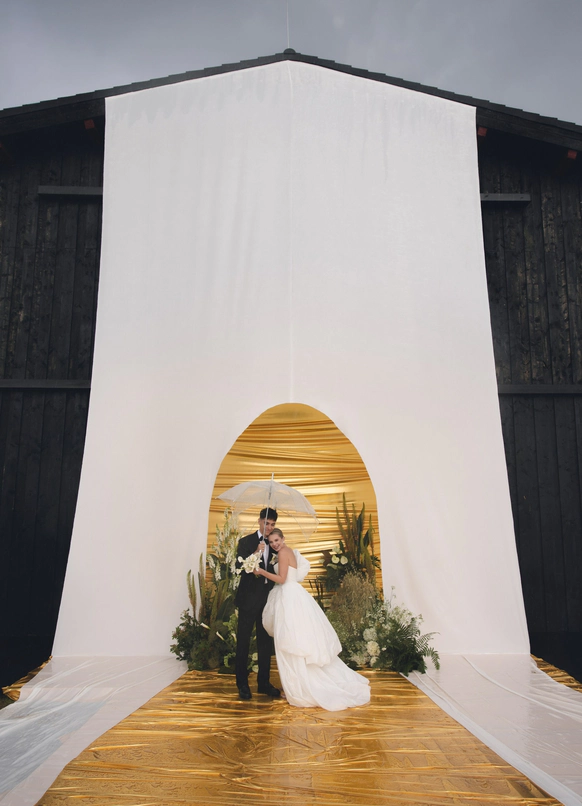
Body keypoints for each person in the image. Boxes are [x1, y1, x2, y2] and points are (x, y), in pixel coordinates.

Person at [255, 528, 370, 711]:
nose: (275, 544)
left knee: (292, 640)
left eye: (277, 540)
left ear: (283, 538)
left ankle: (300, 687)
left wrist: (262, 571)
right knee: (295, 639)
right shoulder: (286, 551)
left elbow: (282, 579)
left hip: (289, 597)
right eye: (271, 542)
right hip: (291, 595)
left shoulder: (283, 553)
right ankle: (296, 685)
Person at [234, 507, 281, 700]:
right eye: (266, 523)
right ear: (260, 521)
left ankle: (263, 683)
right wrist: (255, 553)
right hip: (247, 600)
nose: (269, 527)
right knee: (243, 643)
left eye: (272, 524)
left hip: (266, 600)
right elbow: (239, 567)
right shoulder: (246, 542)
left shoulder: (274, 543)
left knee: (265, 644)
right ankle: (242, 684)